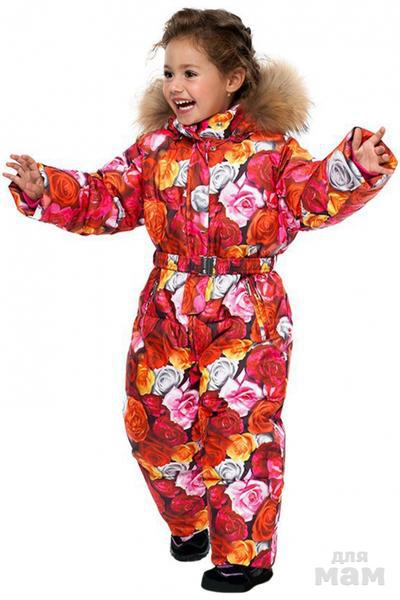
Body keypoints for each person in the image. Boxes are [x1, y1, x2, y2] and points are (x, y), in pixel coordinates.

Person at [3, 7, 397, 594]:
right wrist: (46, 189)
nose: (175, 86)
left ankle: (244, 554)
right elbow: (108, 198)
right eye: (169, 73)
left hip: (247, 311)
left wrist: (354, 168)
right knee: (154, 426)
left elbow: (310, 195)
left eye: (190, 73)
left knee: (241, 429)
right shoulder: (156, 148)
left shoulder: (270, 150)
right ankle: (190, 520)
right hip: (167, 306)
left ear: (232, 78)